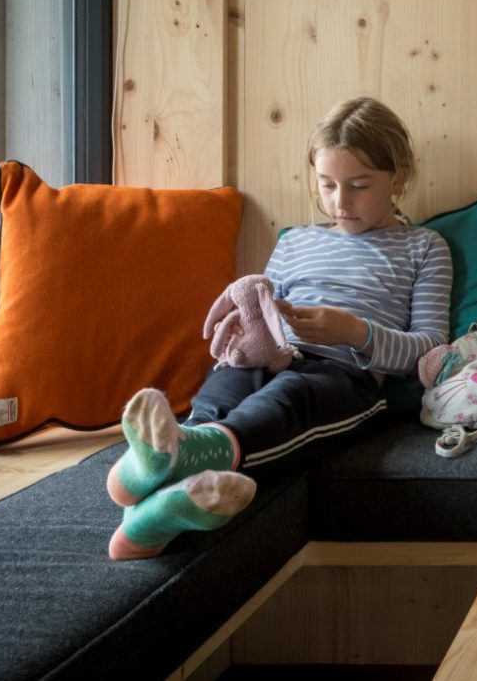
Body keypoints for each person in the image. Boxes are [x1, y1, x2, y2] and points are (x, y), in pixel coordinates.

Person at [105, 96, 452, 560]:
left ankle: (147, 491)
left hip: (342, 376)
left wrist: (355, 333)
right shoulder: (295, 242)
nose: (340, 202)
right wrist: (245, 336)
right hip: (268, 355)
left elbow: (432, 351)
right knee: (222, 389)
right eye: (327, 185)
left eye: (359, 186)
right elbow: (258, 314)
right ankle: (164, 488)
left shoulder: (423, 247)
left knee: (287, 399)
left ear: (399, 177)